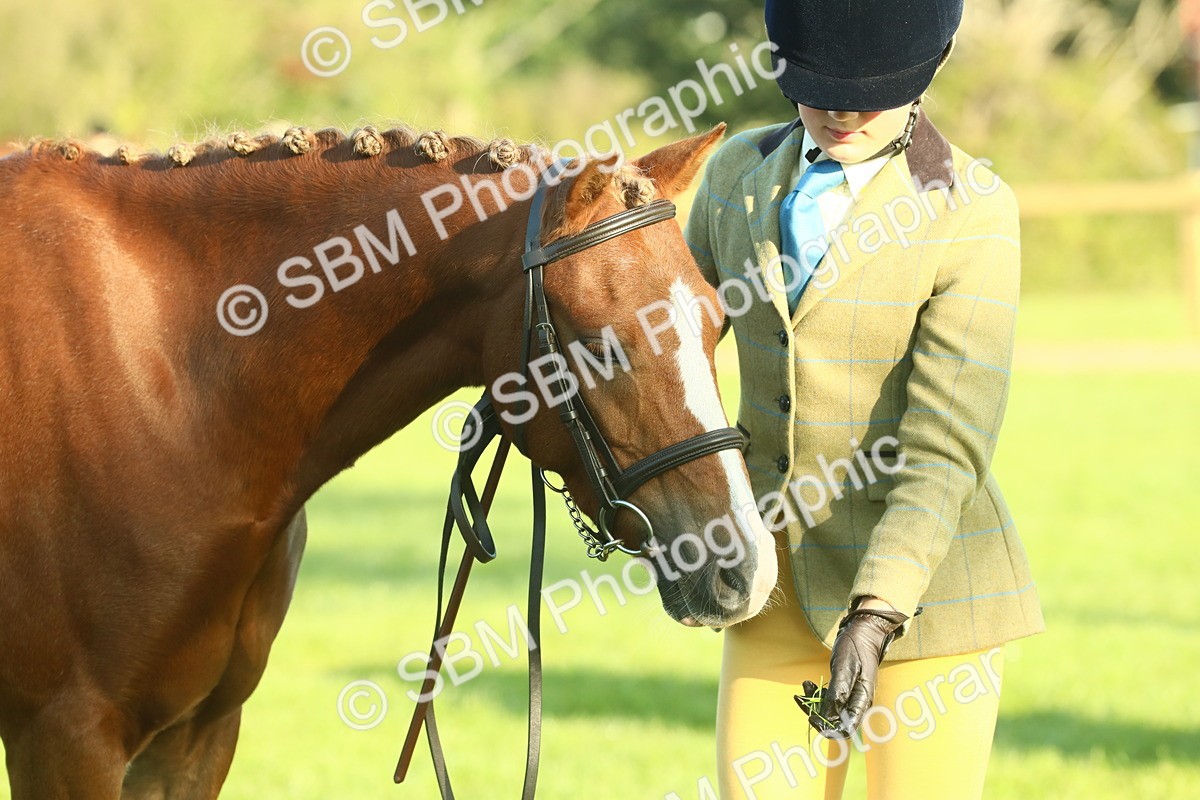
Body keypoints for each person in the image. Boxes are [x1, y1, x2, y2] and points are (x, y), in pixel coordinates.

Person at [683, 1, 1045, 797]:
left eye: (871, 91)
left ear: (930, 66)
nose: (844, 112)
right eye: (821, 88)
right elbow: (670, 347)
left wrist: (878, 611)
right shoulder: (734, 174)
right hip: (772, 591)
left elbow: (946, 444)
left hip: (930, 603)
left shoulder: (975, 211)